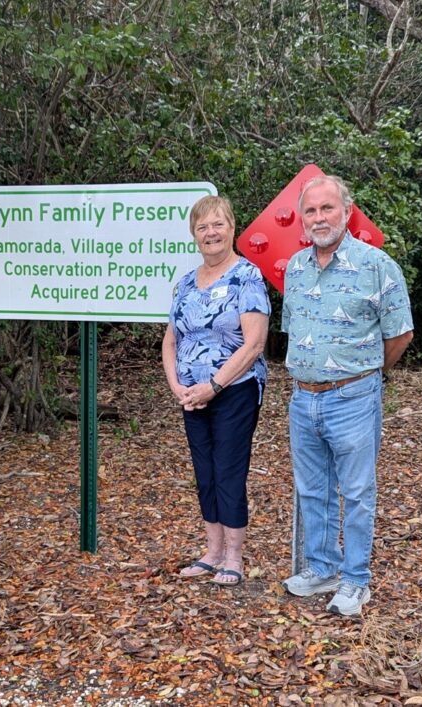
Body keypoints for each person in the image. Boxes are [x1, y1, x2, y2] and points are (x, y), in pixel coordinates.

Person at [281, 174, 414, 616]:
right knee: (313, 489)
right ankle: (323, 569)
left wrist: (367, 377)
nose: (320, 218)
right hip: (303, 399)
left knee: (356, 492)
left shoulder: (377, 265)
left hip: (353, 398)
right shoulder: (296, 269)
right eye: (311, 211)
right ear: (303, 220)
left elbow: (400, 334)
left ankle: (356, 580)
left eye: (327, 209)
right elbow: (293, 331)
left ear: (347, 212)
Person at [162, 195, 270, 587]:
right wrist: (178, 386)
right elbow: (171, 340)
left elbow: (254, 343)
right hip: (191, 395)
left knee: (228, 470)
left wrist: (214, 385)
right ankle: (212, 551)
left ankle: (234, 556)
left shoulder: (247, 276)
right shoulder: (186, 283)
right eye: (203, 226)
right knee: (204, 472)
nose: (211, 233)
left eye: (218, 224)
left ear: (232, 228)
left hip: (235, 390)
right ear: (194, 234)